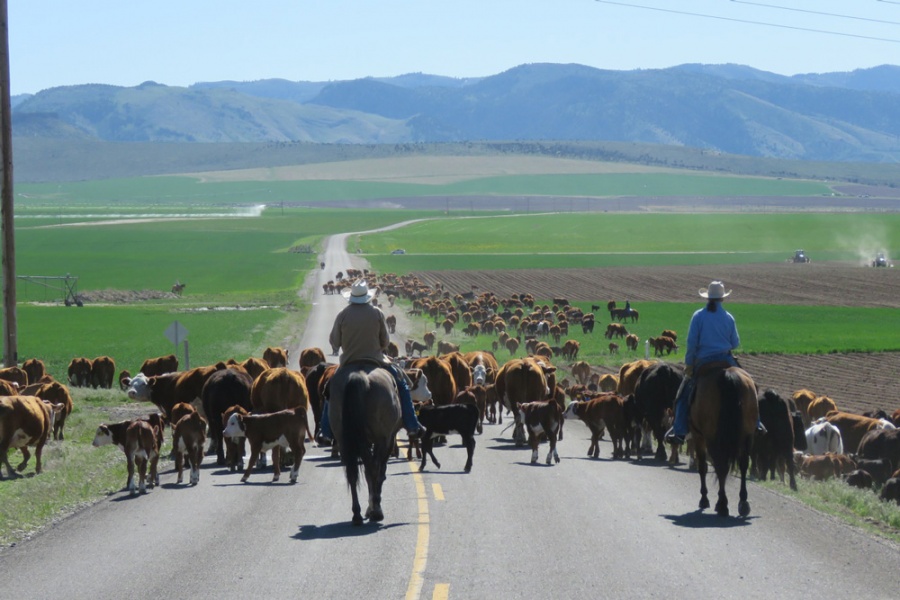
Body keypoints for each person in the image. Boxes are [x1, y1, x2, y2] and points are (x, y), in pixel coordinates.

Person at [316, 279, 426, 446]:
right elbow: (385, 342)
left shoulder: (342, 315)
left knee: (330, 390)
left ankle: (326, 431)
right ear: (367, 296)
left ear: (351, 297)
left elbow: (334, 342)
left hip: (349, 362)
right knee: (401, 384)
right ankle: (412, 425)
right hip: (376, 361)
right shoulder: (377, 313)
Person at [664, 280, 763, 445]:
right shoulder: (729, 317)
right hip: (726, 359)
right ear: (722, 299)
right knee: (751, 386)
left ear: (708, 298)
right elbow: (735, 343)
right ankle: (757, 423)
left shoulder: (698, 316)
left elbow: (691, 343)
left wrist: (689, 363)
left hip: (703, 361)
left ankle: (680, 431)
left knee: (682, 396)